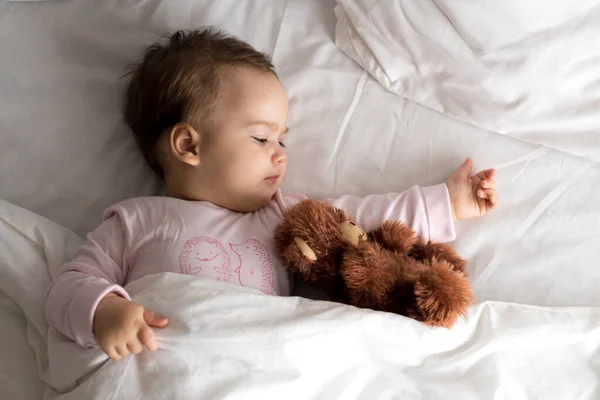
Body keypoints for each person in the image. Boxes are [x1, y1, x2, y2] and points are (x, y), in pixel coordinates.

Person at [45, 28, 498, 361]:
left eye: (283, 140)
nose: (280, 155)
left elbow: (365, 220)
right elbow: (68, 285)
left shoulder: (283, 215)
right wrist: (103, 310)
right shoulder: (136, 221)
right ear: (189, 145)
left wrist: (447, 202)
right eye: (261, 139)